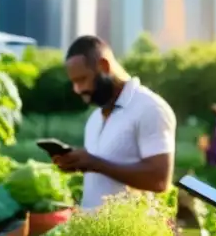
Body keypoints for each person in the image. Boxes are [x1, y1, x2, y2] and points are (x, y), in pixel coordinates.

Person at [55, 35, 177, 208]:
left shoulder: (150, 108)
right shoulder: (94, 119)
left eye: (82, 80)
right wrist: (78, 164)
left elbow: (159, 180)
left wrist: (94, 163)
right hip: (93, 232)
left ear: (104, 66)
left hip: (130, 233)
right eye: (74, 83)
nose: (77, 89)